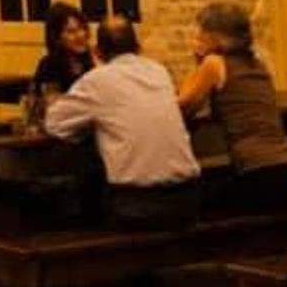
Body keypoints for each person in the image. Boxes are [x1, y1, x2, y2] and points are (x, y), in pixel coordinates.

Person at [44, 16, 201, 227]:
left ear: (97, 52)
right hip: (187, 198)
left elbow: (54, 123)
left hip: (136, 203)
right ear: (138, 47)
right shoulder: (159, 72)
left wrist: (91, 124)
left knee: (77, 206)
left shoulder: (98, 80)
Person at [176, 2, 287, 211]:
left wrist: (198, 62)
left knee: (195, 205)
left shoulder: (214, 63)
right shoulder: (259, 63)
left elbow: (183, 106)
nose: (198, 36)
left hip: (255, 172)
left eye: (202, 32)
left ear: (215, 37)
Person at [32, 2, 94, 94]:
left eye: (82, 28)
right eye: (71, 31)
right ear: (57, 37)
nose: (80, 35)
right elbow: (52, 103)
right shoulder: (49, 66)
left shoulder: (94, 58)